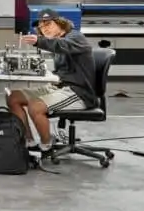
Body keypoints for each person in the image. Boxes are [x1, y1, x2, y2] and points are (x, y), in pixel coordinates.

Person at [6, 11, 96, 153]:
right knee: (13, 97)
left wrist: (39, 41)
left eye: (48, 24)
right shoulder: (57, 40)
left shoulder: (75, 37)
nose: (44, 29)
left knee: (35, 107)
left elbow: (62, 45)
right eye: (41, 27)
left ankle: (46, 146)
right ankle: (28, 142)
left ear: (60, 23)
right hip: (58, 86)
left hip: (78, 92)